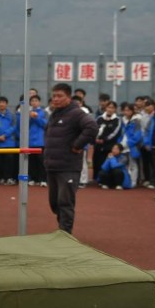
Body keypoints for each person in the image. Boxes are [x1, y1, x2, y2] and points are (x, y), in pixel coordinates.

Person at [43, 83, 98, 234]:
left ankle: (65, 233)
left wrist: (78, 145)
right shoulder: (55, 113)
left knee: (65, 202)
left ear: (68, 97)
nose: (55, 99)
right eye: (54, 96)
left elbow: (92, 127)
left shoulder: (76, 113)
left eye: (59, 96)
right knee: (54, 203)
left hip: (68, 166)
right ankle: (62, 229)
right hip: (52, 165)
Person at [93, 101, 121, 180]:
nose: (110, 109)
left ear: (115, 109)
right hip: (98, 144)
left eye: (112, 108)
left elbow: (115, 133)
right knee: (97, 161)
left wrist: (104, 140)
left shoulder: (117, 120)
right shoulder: (99, 118)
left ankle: (107, 180)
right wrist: (96, 138)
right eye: (109, 107)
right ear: (106, 108)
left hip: (109, 145)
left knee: (108, 162)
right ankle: (97, 179)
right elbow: (94, 129)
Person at [25, 95, 47, 186]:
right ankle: (32, 178)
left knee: (41, 161)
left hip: (40, 140)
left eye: (36, 100)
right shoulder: (27, 112)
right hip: (30, 140)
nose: (34, 102)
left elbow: (45, 124)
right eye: (32, 101)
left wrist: (36, 117)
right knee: (31, 162)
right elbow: (24, 125)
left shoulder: (43, 112)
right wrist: (30, 117)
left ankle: (43, 180)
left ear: (39, 102)